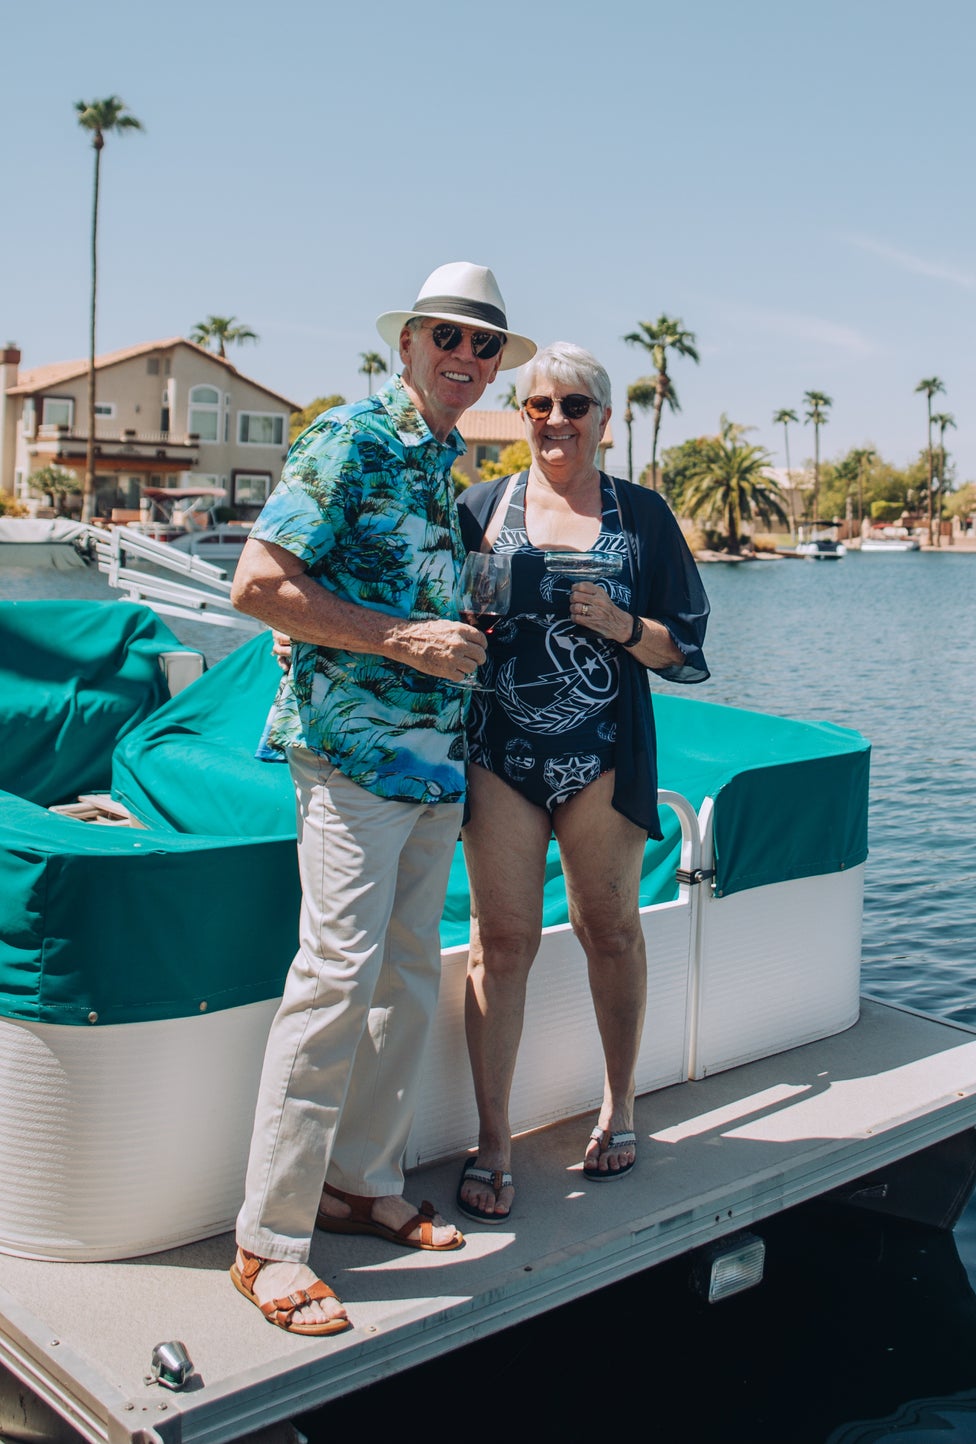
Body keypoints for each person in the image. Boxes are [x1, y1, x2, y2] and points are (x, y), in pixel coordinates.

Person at [227, 263, 536, 1334]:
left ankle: (358, 1181)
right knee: (333, 981)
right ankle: (268, 1241)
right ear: (406, 344)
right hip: (351, 760)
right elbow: (258, 585)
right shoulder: (350, 439)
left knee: (406, 978)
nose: (464, 356)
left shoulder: (445, 472)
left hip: (433, 767)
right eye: (445, 336)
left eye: (483, 345)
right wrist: (401, 636)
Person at [453, 342, 709, 1224]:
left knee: (609, 928)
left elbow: (684, 648)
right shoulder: (480, 507)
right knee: (502, 943)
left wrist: (620, 622)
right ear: (520, 416)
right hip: (499, 750)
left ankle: (620, 1106)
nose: (555, 421)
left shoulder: (642, 516)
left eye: (574, 406)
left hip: (602, 753)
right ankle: (494, 1141)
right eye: (538, 406)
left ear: (604, 418)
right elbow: (423, 610)